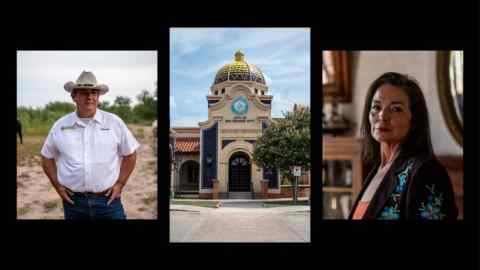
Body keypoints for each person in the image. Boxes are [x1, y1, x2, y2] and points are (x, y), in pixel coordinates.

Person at [349, 72, 458, 220]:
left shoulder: (427, 172)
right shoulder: (376, 170)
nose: (382, 116)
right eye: (376, 107)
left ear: (414, 121)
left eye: (395, 109)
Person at [40, 71, 139, 219]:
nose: (90, 97)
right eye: (84, 92)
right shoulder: (60, 126)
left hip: (108, 201)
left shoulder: (114, 122)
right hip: (74, 203)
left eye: (94, 92)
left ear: (99, 97)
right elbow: (46, 157)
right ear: (74, 96)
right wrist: (58, 186)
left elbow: (130, 154)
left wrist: (120, 184)